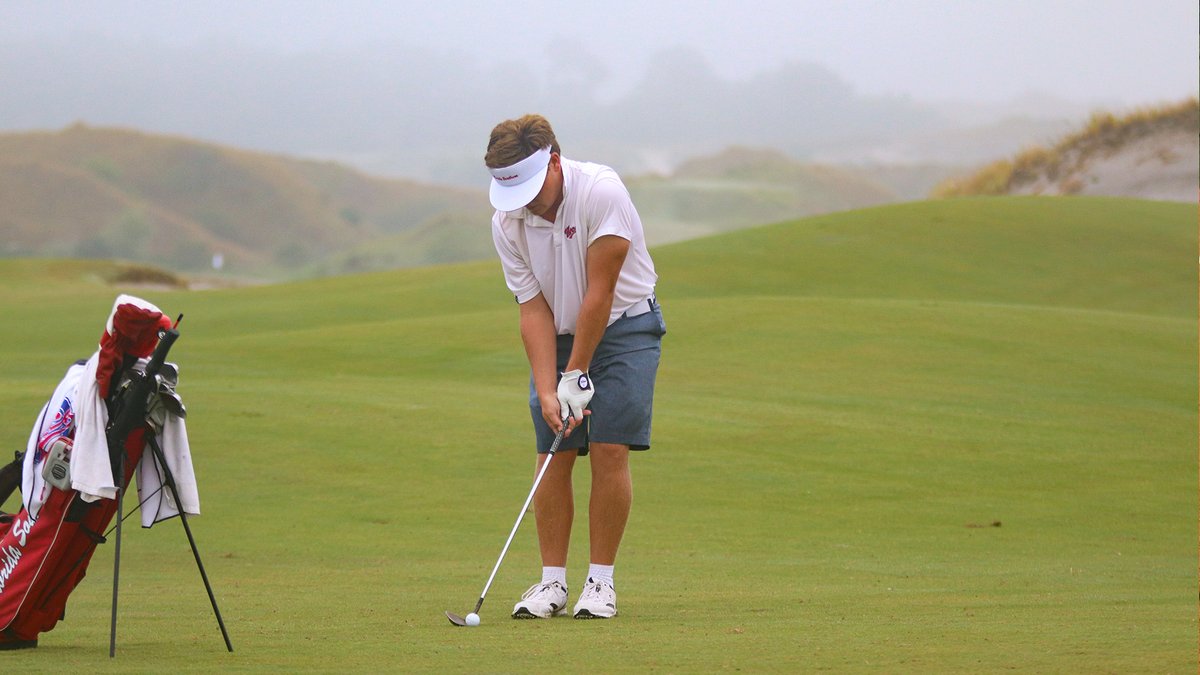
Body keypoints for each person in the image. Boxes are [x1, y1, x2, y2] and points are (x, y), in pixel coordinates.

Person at [485, 114, 665, 620]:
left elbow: (600, 294)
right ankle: (551, 585)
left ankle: (599, 583)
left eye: (530, 188)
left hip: (626, 327)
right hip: (560, 332)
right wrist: (549, 387)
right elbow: (531, 308)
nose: (524, 203)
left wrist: (577, 372)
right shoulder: (506, 221)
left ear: (555, 163)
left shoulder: (601, 193)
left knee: (609, 448)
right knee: (552, 452)